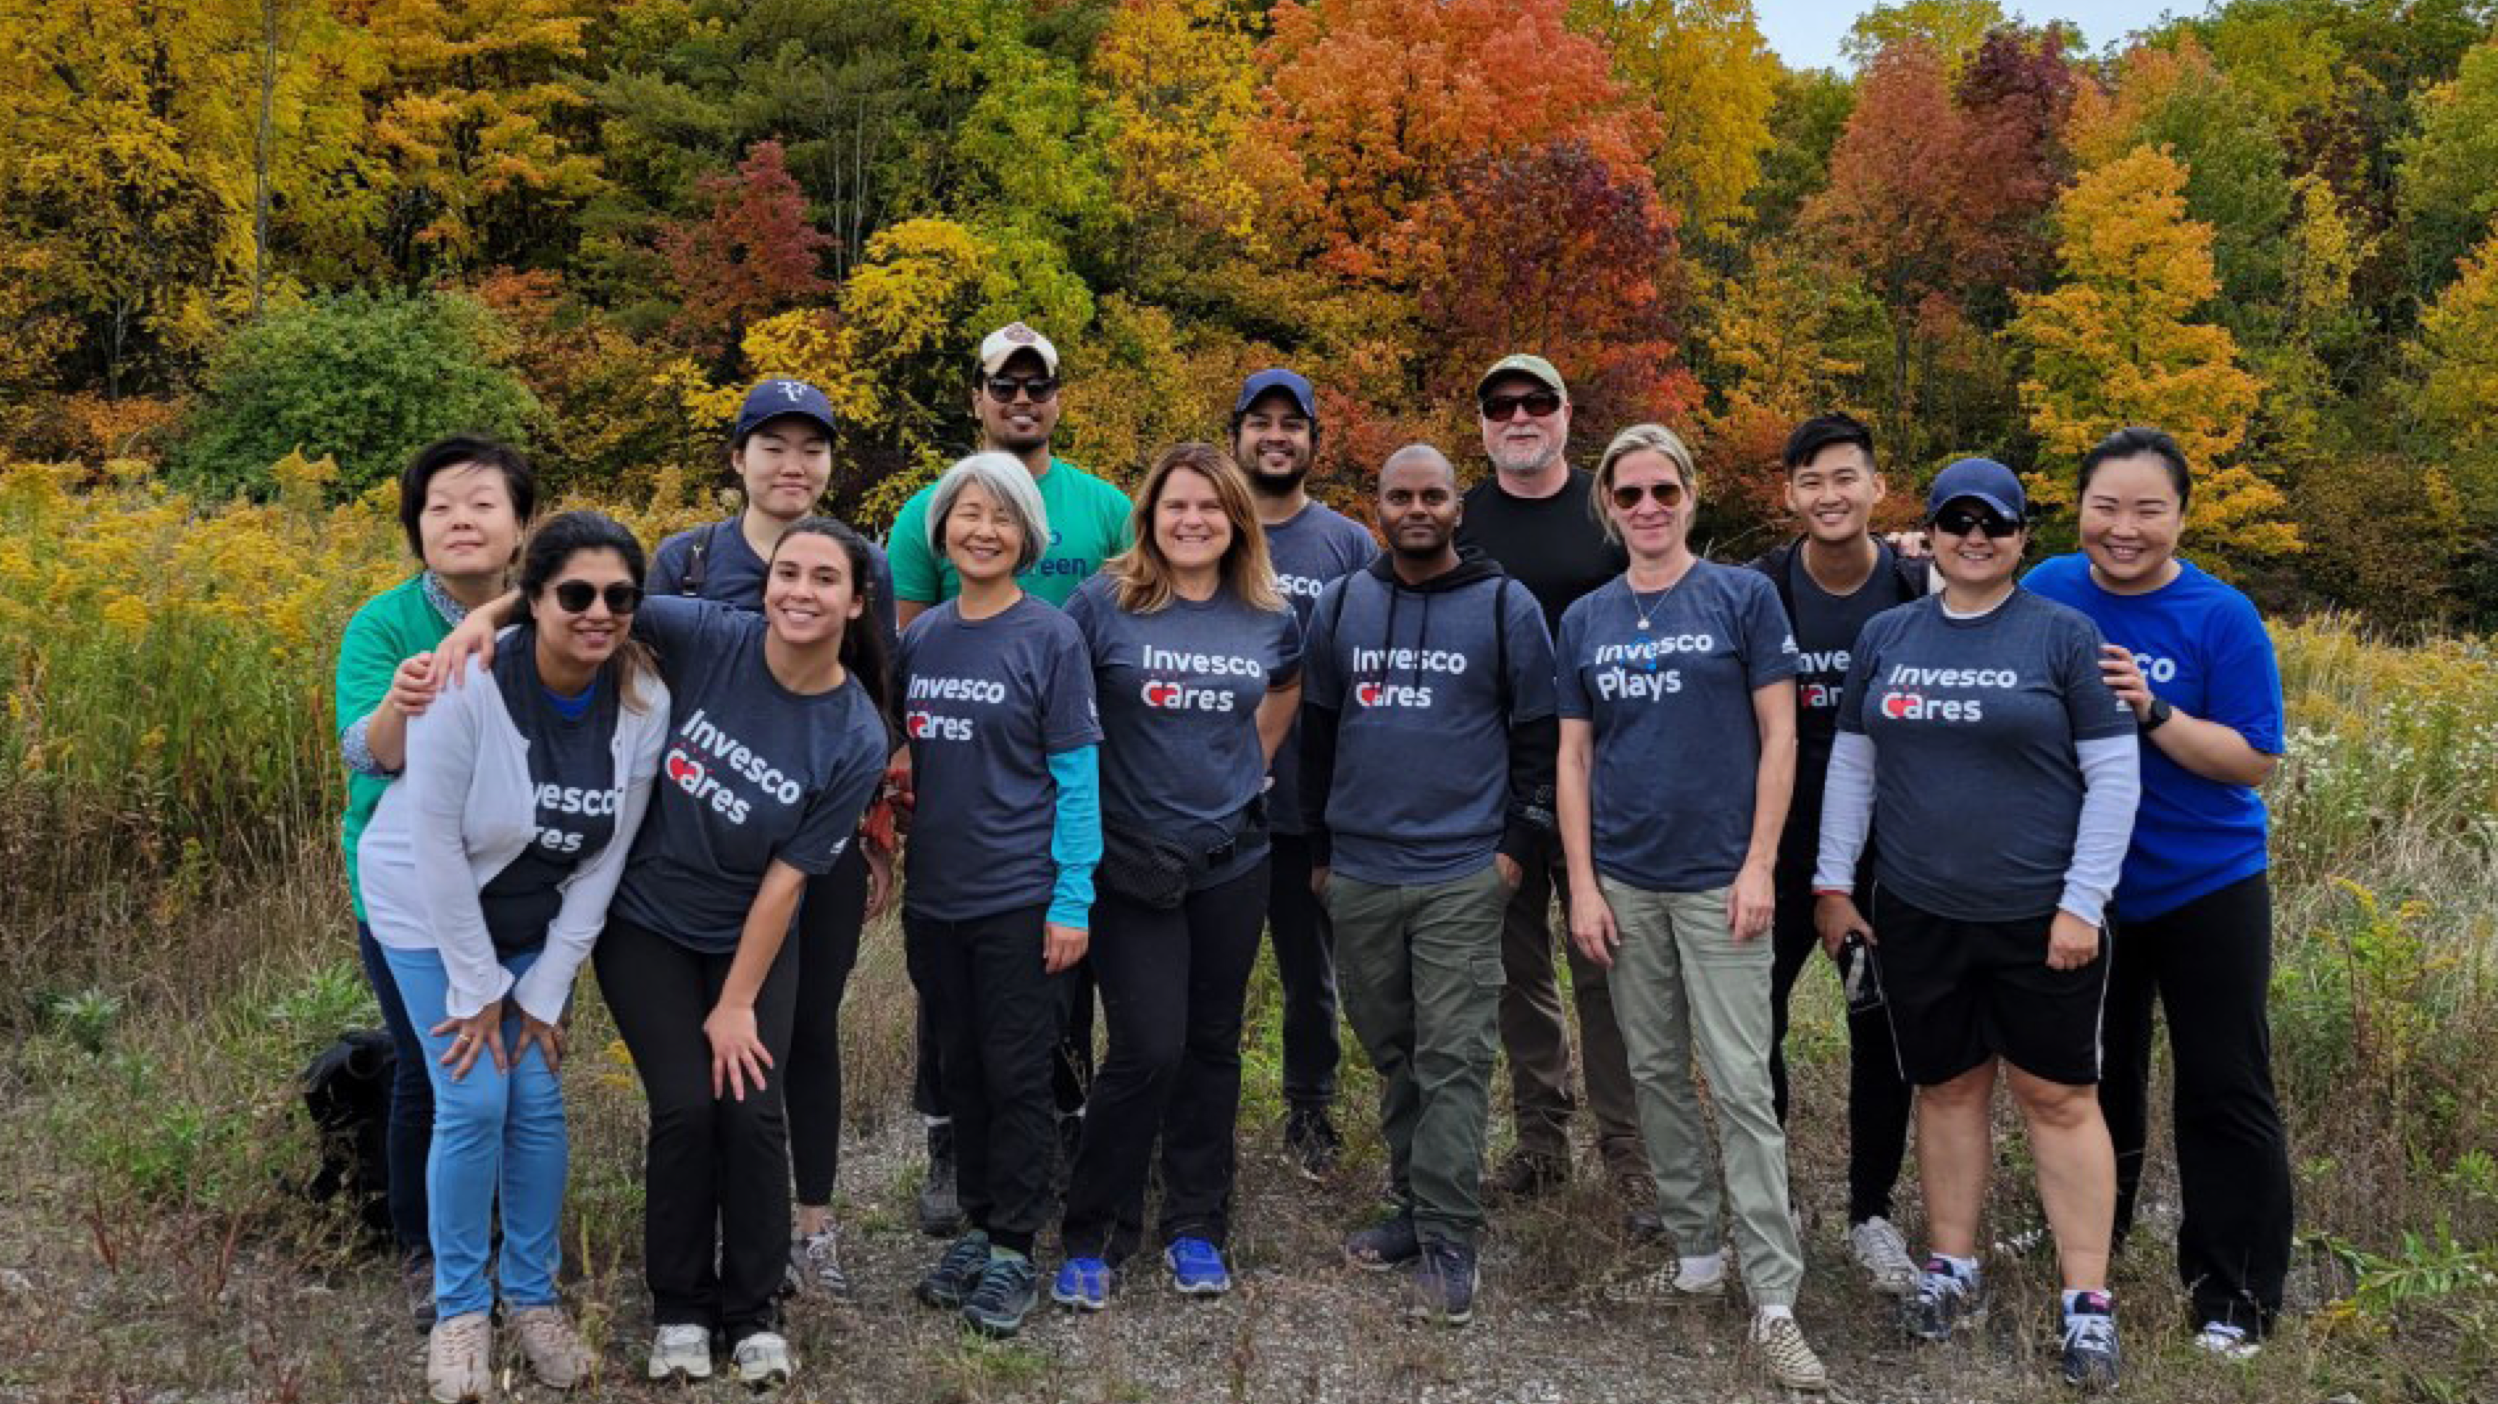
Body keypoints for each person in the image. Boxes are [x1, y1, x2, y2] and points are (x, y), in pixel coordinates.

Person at [434, 517, 895, 1387]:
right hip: (645, 920)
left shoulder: (855, 734)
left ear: (856, 600)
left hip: (751, 936)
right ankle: (680, 1307)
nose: (800, 590)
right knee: (686, 1106)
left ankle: (752, 1312)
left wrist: (734, 1004)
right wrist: (478, 622)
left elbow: (786, 883)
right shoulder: (709, 634)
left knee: (753, 1110)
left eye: (824, 579)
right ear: (764, 586)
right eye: (786, 571)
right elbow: (584, 600)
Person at [1813, 458, 2141, 1390]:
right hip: (1918, 911)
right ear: (1931, 532)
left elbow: (2116, 778)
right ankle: (1951, 1267)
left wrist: (2083, 901)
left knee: (2058, 1098)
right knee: (1948, 1089)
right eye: (1956, 522)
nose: (1974, 538)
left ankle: (2086, 1303)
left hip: (2041, 918)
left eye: (1994, 524)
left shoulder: (2064, 636)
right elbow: (1853, 770)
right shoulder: (1887, 634)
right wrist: (1834, 885)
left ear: (2020, 537)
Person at [360, 512, 667, 1403]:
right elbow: (435, 849)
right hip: (423, 915)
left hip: (534, 925)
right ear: (531, 600)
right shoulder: (471, 687)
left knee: (535, 1099)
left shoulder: (643, 702)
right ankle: (460, 1312)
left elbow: (608, 858)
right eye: (574, 594)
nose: (597, 612)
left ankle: (531, 1299)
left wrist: (542, 987)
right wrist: (479, 989)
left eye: (618, 597)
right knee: (473, 1094)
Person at [1555, 427, 1824, 1391]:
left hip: (1723, 881)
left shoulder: (1743, 598)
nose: (1648, 508)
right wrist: (1582, 884)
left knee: (1743, 1084)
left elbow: (1780, 737)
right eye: (1628, 495)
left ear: (1692, 495)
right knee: (1657, 1072)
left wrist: (1762, 866)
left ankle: (1776, 1297)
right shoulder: (1585, 617)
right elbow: (1574, 759)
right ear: (1610, 509)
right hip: (1625, 880)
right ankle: (1697, 1259)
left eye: (1663, 490)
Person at [2025, 426, 2292, 1359]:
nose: (2123, 528)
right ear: (2079, 509)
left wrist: (2155, 709)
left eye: (2147, 510)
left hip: (2206, 884)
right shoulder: (2047, 587)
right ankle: (2101, 1237)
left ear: (2181, 515)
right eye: (2106, 507)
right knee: (2099, 1080)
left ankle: (2235, 1292)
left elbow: (2254, 760)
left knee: (2223, 1087)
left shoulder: (2221, 617)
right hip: (2088, 889)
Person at [649, 378, 899, 1299]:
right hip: (698, 838)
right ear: (738, 459)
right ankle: (719, 1223)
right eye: (772, 445)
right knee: (714, 1041)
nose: (792, 465)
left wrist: (876, 832)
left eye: (812, 448)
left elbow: (881, 701)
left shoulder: (855, 560)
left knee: (804, 1030)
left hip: (811, 844)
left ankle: (813, 1229)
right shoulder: (683, 563)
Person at [882, 322, 1132, 1235]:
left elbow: (1132, 624)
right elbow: (901, 682)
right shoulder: (924, 525)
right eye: (1003, 387)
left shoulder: (1105, 509)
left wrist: (1073, 888)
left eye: (1038, 386)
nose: (1021, 400)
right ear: (979, 398)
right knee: (958, 1034)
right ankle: (961, 1159)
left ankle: (1034, 1187)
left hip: (1049, 808)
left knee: (1042, 1027)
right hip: (951, 854)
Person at [1303, 444, 1558, 1327]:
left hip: (1461, 872)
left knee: (1455, 1054)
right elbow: (1317, 736)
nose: (1417, 508)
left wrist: (1514, 850)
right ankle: (1414, 1208)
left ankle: (1453, 1238)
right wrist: (1321, 859)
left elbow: (1539, 739)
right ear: (1375, 504)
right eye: (1400, 494)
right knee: (1396, 1048)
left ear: (1459, 508)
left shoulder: (1504, 607)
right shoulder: (1342, 604)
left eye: (1434, 494)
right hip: (1362, 872)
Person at [1051, 444, 1303, 1310]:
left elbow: (1284, 688)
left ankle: (1195, 1225)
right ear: (1149, 517)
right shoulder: (1102, 605)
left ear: (1236, 517)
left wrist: (1252, 764)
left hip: (1234, 862)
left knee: (1211, 1046)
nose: (1192, 520)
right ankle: (1093, 1232)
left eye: (1210, 506)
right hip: (1132, 867)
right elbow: (1063, 717)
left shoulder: (1265, 611)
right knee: (1146, 1049)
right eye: (1174, 507)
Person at [896, 453, 1102, 1340]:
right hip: (935, 898)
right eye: (967, 515)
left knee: (1019, 1076)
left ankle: (1016, 1245)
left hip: (1021, 896)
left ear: (1028, 536)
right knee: (961, 1068)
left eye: (1003, 517)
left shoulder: (1050, 636)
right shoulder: (921, 637)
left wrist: (1072, 897)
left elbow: (1079, 777)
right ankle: (978, 1228)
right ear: (941, 530)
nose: (983, 530)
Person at [334, 436, 536, 1329]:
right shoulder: (382, 624)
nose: (461, 519)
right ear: (417, 530)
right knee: (432, 1065)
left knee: (518, 1070)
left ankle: (509, 1245)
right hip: (407, 891)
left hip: (520, 889)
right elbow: (369, 756)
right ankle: (428, 1250)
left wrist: (492, 623)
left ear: (521, 525)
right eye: (440, 506)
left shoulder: (556, 612)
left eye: (483, 502)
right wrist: (403, 704)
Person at [1454, 354, 1650, 1218]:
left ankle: (1630, 1151)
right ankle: (1541, 1143)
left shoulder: (1615, 509)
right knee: (1514, 968)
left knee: (1606, 966)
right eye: (1502, 405)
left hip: (1606, 777)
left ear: (1568, 414)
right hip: (1495, 780)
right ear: (1484, 422)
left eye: (1537, 401)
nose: (1520, 415)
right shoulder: (1460, 521)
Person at [1747, 413, 1926, 1296]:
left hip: (1888, 851)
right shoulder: (1759, 588)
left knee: (1880, 1029)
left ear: (1876, 488)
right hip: (1776, 845)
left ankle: (1871, 1213)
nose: (1829, 495)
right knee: (1756, 1026)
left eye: (1845, 477)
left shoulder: (1917, 587)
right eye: (1811, 481)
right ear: (1789, 495)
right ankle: (1768, 1198)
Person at [1234, 368, 1376, 1177]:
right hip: (1207, 799)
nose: (1277, 435)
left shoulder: (1348, 544)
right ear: (1237, 436)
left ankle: (1310, 1110)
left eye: (1294, 423)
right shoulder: (1204, 524)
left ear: (1315, 441)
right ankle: (1190, 1098)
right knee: (1198, 970)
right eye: (1262, 422)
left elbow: (1367, 672)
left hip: (1304, 801)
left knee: (1308, 973)